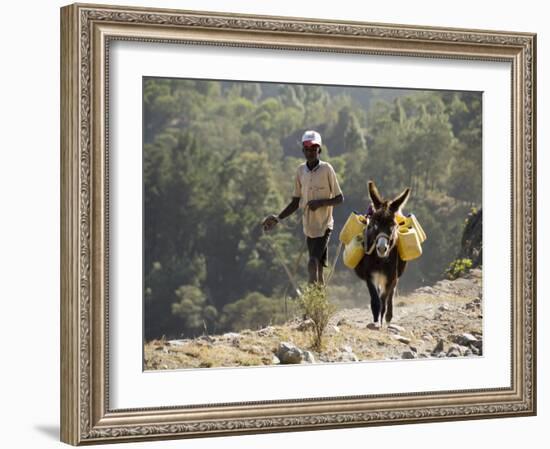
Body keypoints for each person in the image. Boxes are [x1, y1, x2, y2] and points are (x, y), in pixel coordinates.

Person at [263, 130, 344, 285]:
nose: (310, 152)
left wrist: (320, 203)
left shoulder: (327, 169)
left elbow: (339, 199)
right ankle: (318, 303)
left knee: (312, 262)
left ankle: (310, 298)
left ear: (319, 150)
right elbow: (295, 202)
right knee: (318, 267)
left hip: (325, 225)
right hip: (309, 228)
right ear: (303, 150)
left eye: (314, 148)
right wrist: (277, 218)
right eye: (307, 149)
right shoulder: (301, 171)